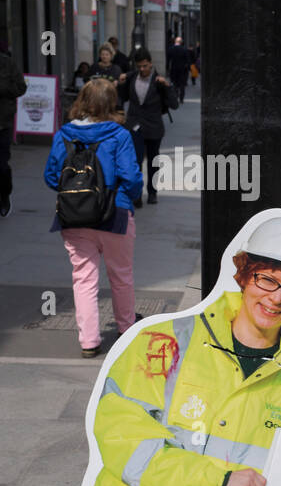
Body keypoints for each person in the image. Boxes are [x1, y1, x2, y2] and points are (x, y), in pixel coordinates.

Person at [45, 79, 143, 356]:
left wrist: (76, 193)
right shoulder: (119, 134)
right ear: (111, 103)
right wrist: (125, 196)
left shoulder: (63, 134)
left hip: (74, 217)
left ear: (82, 101)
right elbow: (132, 177)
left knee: (83, 278)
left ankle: (89, 341)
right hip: (115, 214)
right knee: (121, 275)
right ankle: (125, 329)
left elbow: (51, 176)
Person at [117, 48, 177, 206]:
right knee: (135, 162)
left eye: (145, 66)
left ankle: (152, 192)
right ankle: (136, 194)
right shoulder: (131, 77)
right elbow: (121, 98)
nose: (142, 69)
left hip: (154, 127)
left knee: (153, 161)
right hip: (135, 126)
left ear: (150, 63)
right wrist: (120, 84)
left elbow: (174, 104)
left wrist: (167, 86)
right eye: (139, 66)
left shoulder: (159, 81)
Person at [0, 36, 26, 218]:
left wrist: (2, 88)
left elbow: (21, 88)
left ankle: (4, 195)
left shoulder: (7, 64)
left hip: (3, 122)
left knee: (1, 165)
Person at [166, 36, 192, 104]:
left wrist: (167, 68)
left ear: (175, 41)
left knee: (174, 83)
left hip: (174, 69)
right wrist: (189, 69)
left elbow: (168, 60)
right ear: (181, 42)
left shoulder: (170, 49)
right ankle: (181, 99)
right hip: (182, 70)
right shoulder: (184, 49)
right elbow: (188, 60)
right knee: (182, 85)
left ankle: (176, 96)